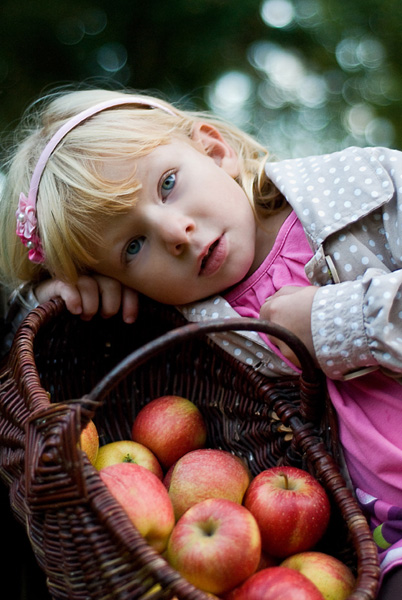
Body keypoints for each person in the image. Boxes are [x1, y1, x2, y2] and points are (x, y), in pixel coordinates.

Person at [1, 86, 402, 598]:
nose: (175, 232)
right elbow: (26, 347)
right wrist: (51, 292)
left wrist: (337, 323)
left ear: (214, 149)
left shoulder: (364, 190)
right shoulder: (186, 324)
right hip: (385, 540)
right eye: (133, 246)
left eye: (167, 184)